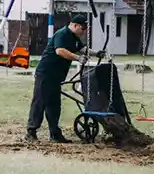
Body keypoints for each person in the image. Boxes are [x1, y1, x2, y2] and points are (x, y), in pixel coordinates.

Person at [26, 14, 102, 143]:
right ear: (74, 25)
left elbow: (82, 49)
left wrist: (97, 53)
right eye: (82, 28)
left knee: (54, 106)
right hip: (46, 73)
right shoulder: (62, 34)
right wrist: (78, 58)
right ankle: (31, 132)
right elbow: (60, 51)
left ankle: (55, 134)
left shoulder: (74, 37)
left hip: (56, 76)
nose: (84, 32)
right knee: (40, 102)